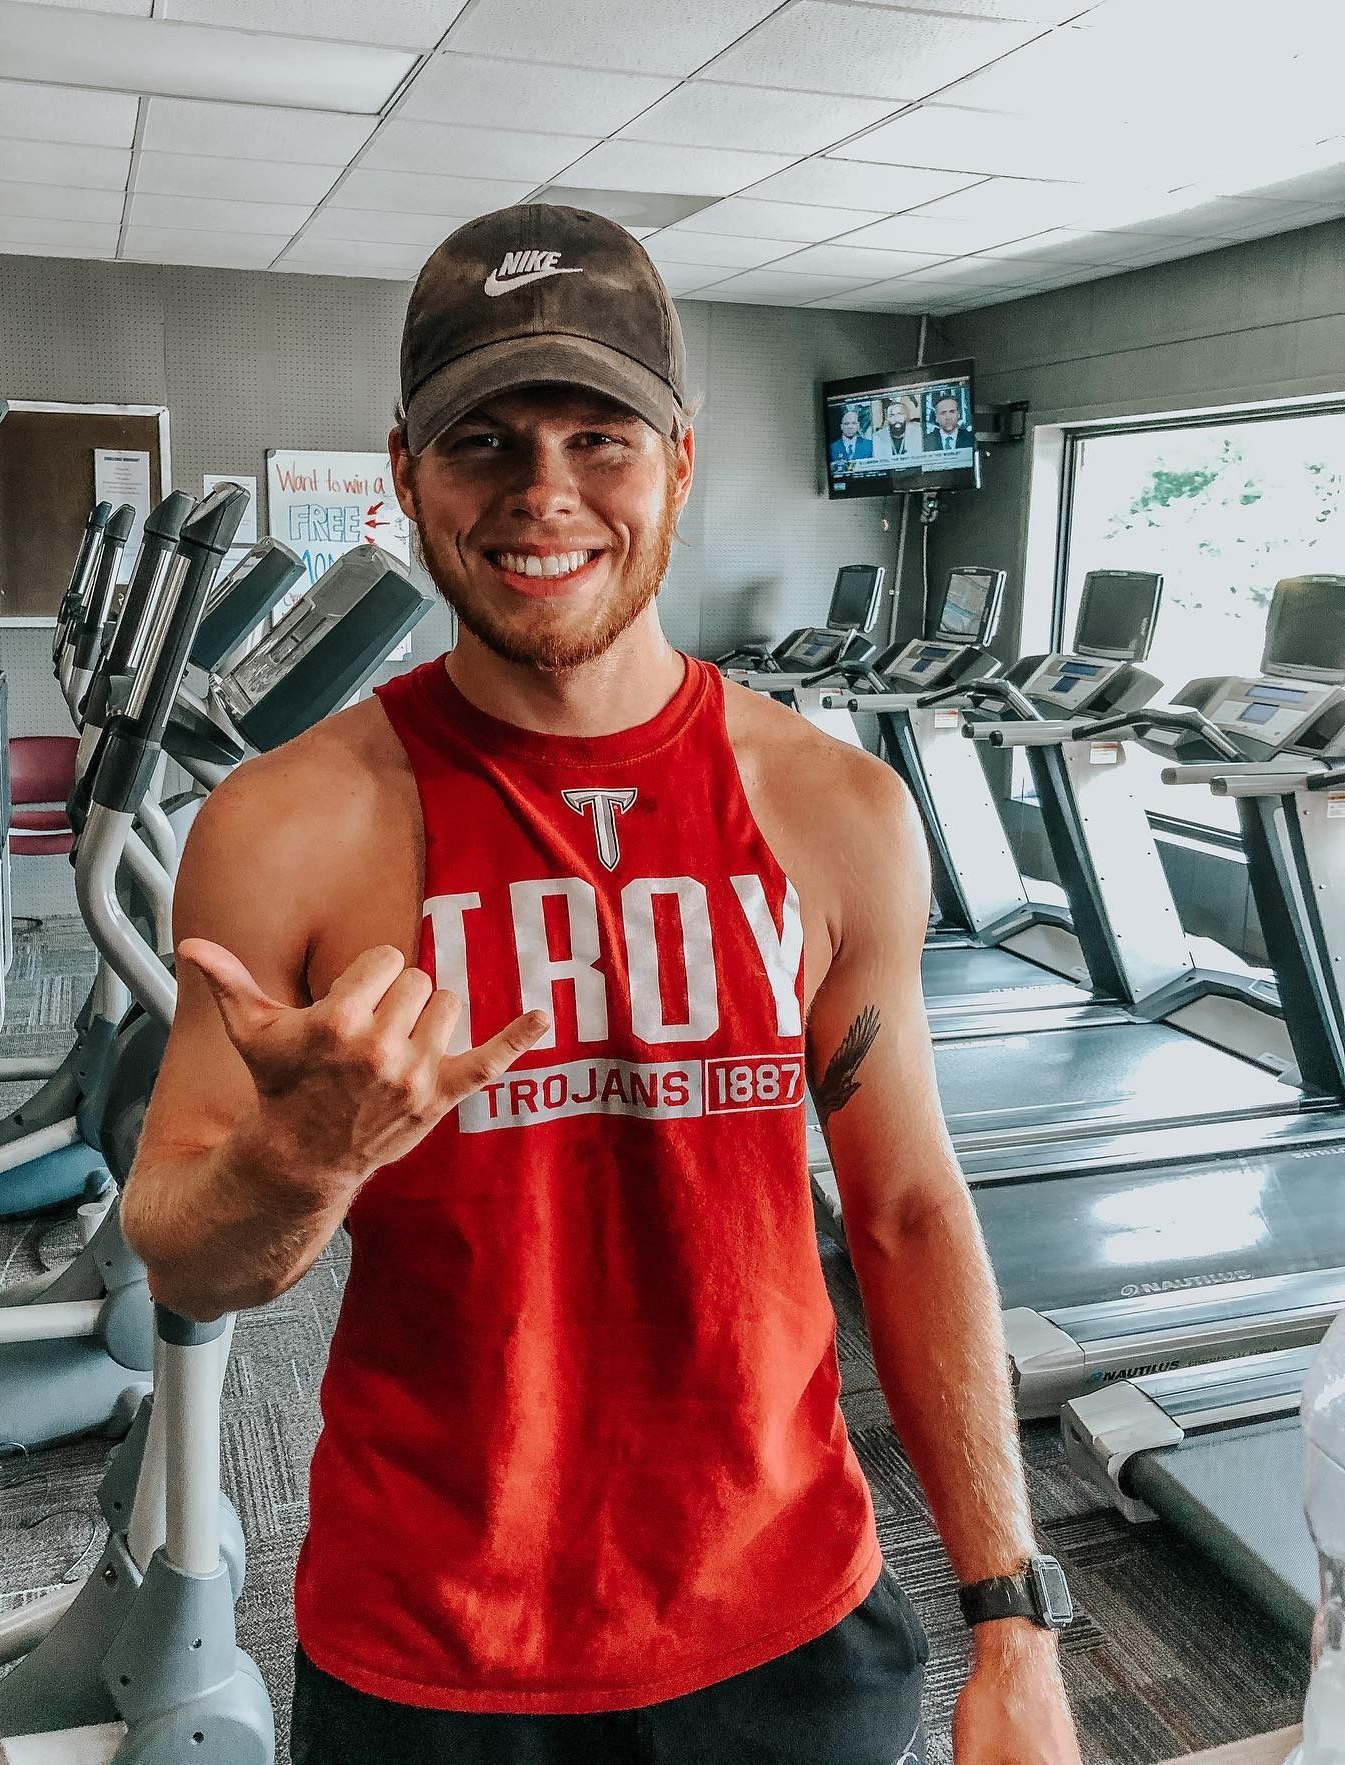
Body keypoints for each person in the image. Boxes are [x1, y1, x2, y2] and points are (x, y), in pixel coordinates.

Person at [121, 203, 1083, 1765]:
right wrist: (301, 1155)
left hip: (789, 1627)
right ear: (405, 474)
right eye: (486, 443)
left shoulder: (834, 811)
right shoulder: (283, 829)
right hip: (431, 1653)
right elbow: (180, 1257)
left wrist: (1012, 1617)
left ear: (682, 462)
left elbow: (908, 1213)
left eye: (599, 437)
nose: (543, 496)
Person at [925, 388, 974, 454]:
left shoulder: (970, 438)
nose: (948, 417)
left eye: (952, 412)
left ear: (958, 415)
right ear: (936, 418)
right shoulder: (927, 441)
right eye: (943, 413)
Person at [875, 396, 923, 460]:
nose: (896, 419)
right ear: (887, 419)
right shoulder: (877, 437)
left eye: (899, 414)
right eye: (891, 415)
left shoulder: (918, 433)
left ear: (906, 416)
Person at [829, 403, 871, 476]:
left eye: (854, 423)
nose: (850, 427)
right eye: (846, 424)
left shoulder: (869, 445)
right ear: (841, 426)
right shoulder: (832, 447)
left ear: (858, 426)